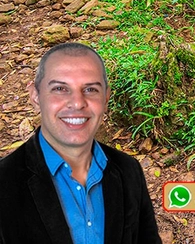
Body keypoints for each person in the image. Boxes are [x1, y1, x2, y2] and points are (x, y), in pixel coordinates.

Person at [0, 42, 162, 244]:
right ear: (35, 96)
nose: (77, 103)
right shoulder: (4, 182)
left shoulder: (129, 170)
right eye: (60, 88)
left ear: (106, 98)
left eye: (91, 89)